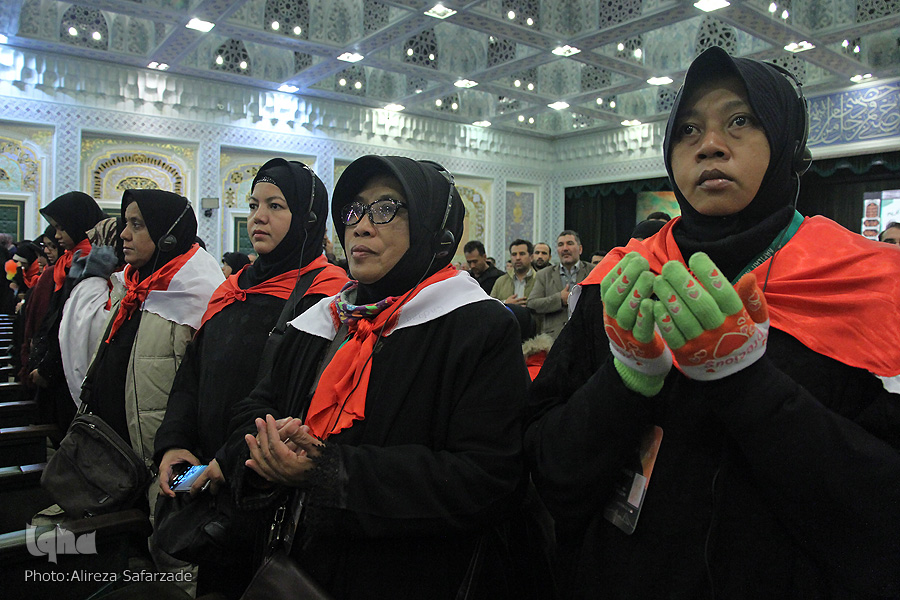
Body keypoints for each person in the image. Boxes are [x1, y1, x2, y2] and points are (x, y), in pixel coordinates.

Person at [525, 46, 900, 599]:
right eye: (688, 130)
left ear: (788, 146)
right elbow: (549, 476)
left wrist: (747, 382)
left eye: (740, 121)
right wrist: (625, 379)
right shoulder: (622, 282)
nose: (711, 146)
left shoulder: (868, 286)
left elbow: (879, 520)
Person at [218, 155, 531, 600]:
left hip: (403, 574)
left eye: (386, 208)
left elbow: (488, 477)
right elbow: (253, 406)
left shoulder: (474, 328)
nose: (361, 226)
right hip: (288, 567)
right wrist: (267, 447)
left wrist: (332, 472)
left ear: (433, 229)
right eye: (353, 210)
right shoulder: (323, 319)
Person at [153, 159, 347, 598]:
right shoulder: (233, 288)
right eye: (255, 204)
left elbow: (296, 398)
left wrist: (229, 461)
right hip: (206, 478)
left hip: (262, 488)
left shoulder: (326, 296)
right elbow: (192, 373)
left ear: (308, 218)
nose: (258, 216)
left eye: (276, 205)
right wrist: (174, 442)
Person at [29, 192, 106, 441]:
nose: (57, 236)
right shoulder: (68, 261)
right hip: (56, 363)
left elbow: (70, 321)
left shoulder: (92, 260)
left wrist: (48, 368)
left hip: (68, 367)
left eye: (61, 228)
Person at [526, 230, 593, 340]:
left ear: (580, 249)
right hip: (553, 339)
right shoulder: (544, 275)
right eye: (561, 245)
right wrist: (559, 299)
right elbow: (532, 304)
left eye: (570, 243)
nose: (565, 248)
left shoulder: (592, 272)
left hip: (585, 336)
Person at [491, 238, 537, 306]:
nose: (518, 258)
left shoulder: (539, 280)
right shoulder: (501, 281)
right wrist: (505, 303)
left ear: (531, 257)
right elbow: (491, 305)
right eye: (514, 254)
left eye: (522, 254)